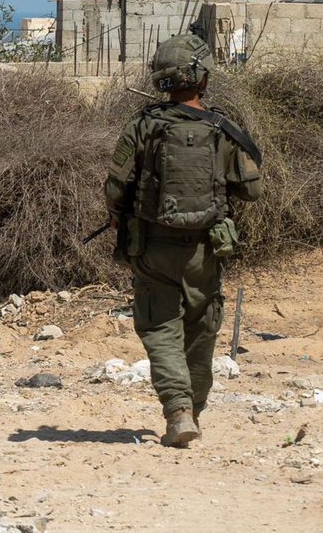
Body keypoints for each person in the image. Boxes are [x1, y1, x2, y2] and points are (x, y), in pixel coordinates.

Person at [104, 33, 263, 448]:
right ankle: (192, 408)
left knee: (160, 327)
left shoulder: (142, 126)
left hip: (154, 247)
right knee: (202, 329)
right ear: (202, 79)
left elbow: (114, 189)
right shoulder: (223, 129)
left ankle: (178, 412)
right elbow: (252, 190)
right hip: (206, 250)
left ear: (163, 79)